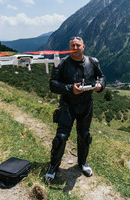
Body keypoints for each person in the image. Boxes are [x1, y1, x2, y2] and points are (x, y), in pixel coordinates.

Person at [45, 36, 106, 183]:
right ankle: (53, 166)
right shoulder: (62, 62)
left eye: (78, 45)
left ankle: (82, 163)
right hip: (67, 105)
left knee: (84, 135)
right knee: (61, 137)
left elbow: (102, 77)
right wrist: (70, 89)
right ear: (69, 47)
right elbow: (53, 84)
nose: (75, 48)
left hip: (86, 105)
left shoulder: (93, 62)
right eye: (72, 45)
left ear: (83, 47)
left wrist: (100, 86)